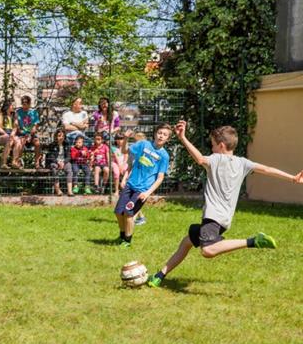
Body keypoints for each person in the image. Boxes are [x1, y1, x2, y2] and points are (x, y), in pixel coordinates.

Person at [148, 121, 303, 287]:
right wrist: (293, 178)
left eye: (213, 145)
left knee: (207, 250)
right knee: (187, 242)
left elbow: (199, 159)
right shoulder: (243, 163)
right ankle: (160, 275)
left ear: (221, 145)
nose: (212, 148)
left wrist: (183, 138)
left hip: (213, 217)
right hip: (224, 219)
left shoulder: (216, 159)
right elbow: (267, 169)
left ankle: (253, 241)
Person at [114, 124, 172, 247]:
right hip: (130, 184)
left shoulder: (164, 156)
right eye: (160, 133)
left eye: (165, 135)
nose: (161, 136)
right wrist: (126, 138)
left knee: (128, 213)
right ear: (155, 134)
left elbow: (160, 178)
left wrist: (147, 193)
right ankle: (122, 235)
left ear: (168, 139)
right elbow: (124, 151)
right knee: (118, 212)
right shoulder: (143, 144)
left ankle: (127, 241)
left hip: (142, 190)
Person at [13, 95, 42, 169]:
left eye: (26, 103)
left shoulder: (34, 112)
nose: (24, 105)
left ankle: (37, 162)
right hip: (21, 134)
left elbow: (35, 127)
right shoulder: (18, 112)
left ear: (29, 103)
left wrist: (29, 135)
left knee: (37, 143)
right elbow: (17, 126)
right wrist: (22, 133)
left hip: (31, 134)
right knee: (21, 142)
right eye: (23, 103)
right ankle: (19, 162)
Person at [46, 129, 73, 196]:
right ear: (56, 136)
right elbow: (51, 156)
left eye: (63, 136)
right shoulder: (52, 145)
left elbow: (69, 157)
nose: (61, 137)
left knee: (69, 168)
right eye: (59, 136)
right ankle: (58, 190)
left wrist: (64, 162)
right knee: (54, 169)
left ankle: (69, 191)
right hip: (54, 162)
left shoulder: (66, 145)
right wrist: (57, 162)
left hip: (64, 162)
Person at [0, 100, 18, 169]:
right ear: (8, 106)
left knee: (17, 140)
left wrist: (13, 133)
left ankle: (14, 162)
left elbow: (15, 127)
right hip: (1, 134)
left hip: (11, 134)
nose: (13, 107)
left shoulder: (14, 114)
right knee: (9, 139)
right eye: (12, 105)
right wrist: (5, 134)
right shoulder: (1, 114)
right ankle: (3, 163)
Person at [132, 132, 148, 225]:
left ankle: (133, 219)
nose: (136, 143)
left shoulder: (146, 152)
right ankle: (141, 217)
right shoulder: (136, 150)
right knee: (134, 199)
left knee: (136, 199)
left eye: (137, 141)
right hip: (135, 178)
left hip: (142, 180)